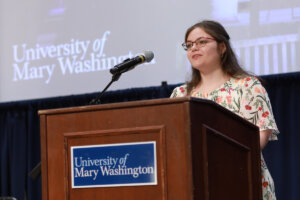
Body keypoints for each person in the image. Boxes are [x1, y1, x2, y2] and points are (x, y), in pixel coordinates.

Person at [170, 20, 279, 200]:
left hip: (241, 178)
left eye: (202, 42)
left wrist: (224, 161)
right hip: (194, 183)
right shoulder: (180, 94)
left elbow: (261, 133)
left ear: (222, 47)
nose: (194, 48)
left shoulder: (248, 86)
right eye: (189, 45)